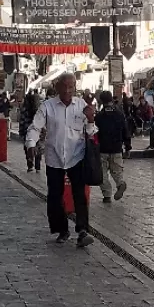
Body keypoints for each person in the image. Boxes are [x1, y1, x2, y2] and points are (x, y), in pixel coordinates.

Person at [25, 73, 96, 248]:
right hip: (54, 157)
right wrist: (30, 143)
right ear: (57, 87)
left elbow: (92, 131)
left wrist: (91, 119)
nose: (67, 90)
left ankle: (82, 231)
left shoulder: (81, 105)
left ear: (75, 88)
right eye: (64, 86)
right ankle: (62, 230)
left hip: (76, 156)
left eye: (71, 86)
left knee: (79, 194)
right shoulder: (47, 106)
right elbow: (36, 126)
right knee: (55, 196)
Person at [95, 91, 128, 204]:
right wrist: (127, 146)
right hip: (116, 148)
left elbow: (95, 133)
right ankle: (120, 183)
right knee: (117, 171)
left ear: (101, 101)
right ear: (111, 100)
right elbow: (125, 131)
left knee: (102, 174)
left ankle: (107, 195)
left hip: (103, 149)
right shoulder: (119, 114)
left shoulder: (99, 116)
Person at [19, 91, 44, 172]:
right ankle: (38, 167)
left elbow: (22, 121)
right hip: (37, 131)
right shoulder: (38, 110)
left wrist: (21, 132)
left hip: (27, 132)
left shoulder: (25, 109)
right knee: (38, 148)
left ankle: (30, 165)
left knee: (28, 148)